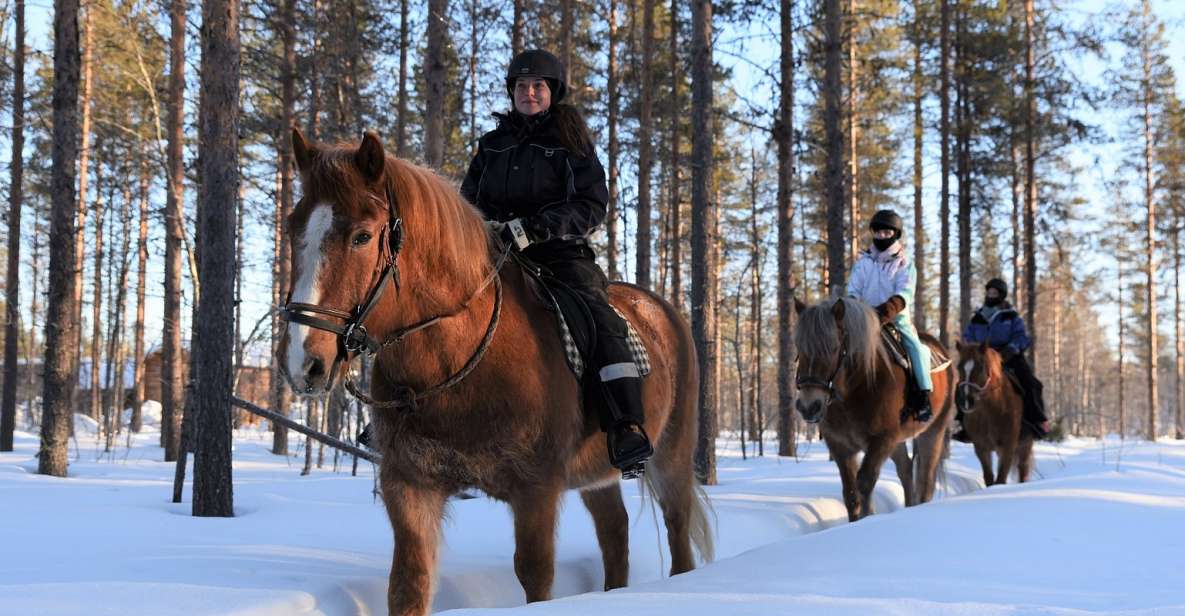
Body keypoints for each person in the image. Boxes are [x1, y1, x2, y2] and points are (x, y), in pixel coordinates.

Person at [459, 49, 653, 477]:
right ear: (512, 92)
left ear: (552, 92)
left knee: (598, 316)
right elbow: (465, 203)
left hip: (559, 255)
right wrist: (482, 228)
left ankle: (626, 425)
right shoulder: (491, 146)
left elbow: (591, 204)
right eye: (522, 86)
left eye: (538, 86)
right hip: (492, 254)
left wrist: (535, 228)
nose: (529, 92)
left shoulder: (571, 141)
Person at [846, 209, 933, 422]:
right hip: (865, 318)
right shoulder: (864, 262)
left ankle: (923, 396)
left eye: (886, 233)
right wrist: (856, 307)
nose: (882, 237)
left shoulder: (904, 262)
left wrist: (889, 309)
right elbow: (854, 289)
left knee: (914, 346)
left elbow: (906, 290)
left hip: (895, 317)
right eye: (878, 233)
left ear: (895, 234)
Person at [955, 278, 1051, 441]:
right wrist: (971, 348)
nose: (991, 295)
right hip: (981, 357)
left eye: (995, 293)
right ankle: (963, 424)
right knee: (962, 384)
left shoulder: (1011, 316)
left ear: (1002, 295)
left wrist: (1011, 349)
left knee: (1031, 383)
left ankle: (1037, 421)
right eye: (989, 292)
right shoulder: (977, 317)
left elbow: (1022, 337)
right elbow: (967, 336)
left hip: (1009, 357)